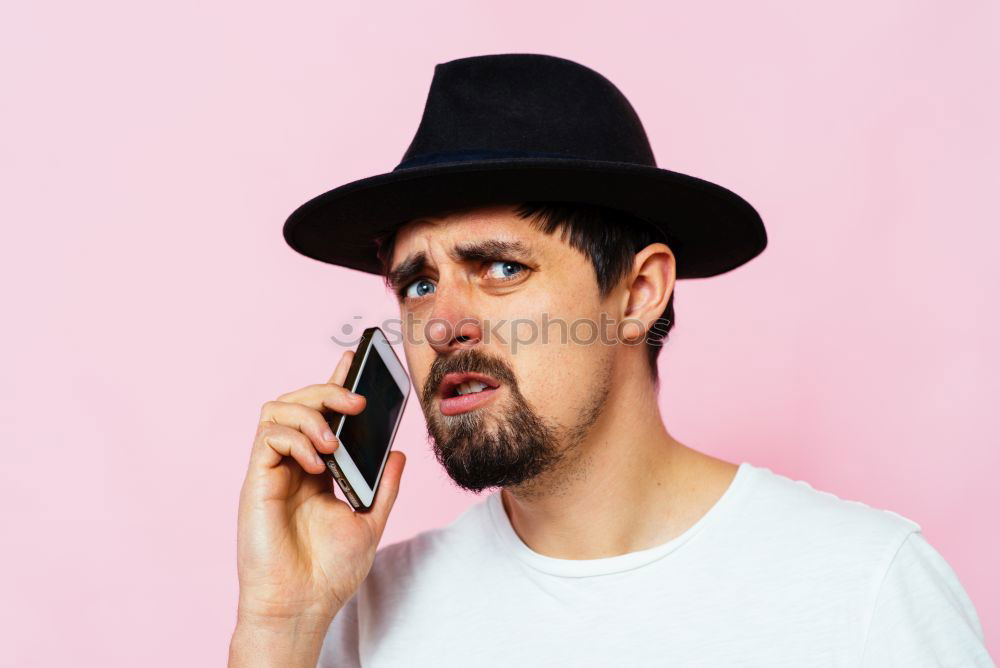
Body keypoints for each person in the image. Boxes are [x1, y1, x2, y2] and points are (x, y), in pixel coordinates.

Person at [228, 54, 994, 667]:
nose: (442, 325)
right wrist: (279, 625)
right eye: (419, 283)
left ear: (638, 293)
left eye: (501, 268)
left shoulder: (864, 588)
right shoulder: (356, 616)